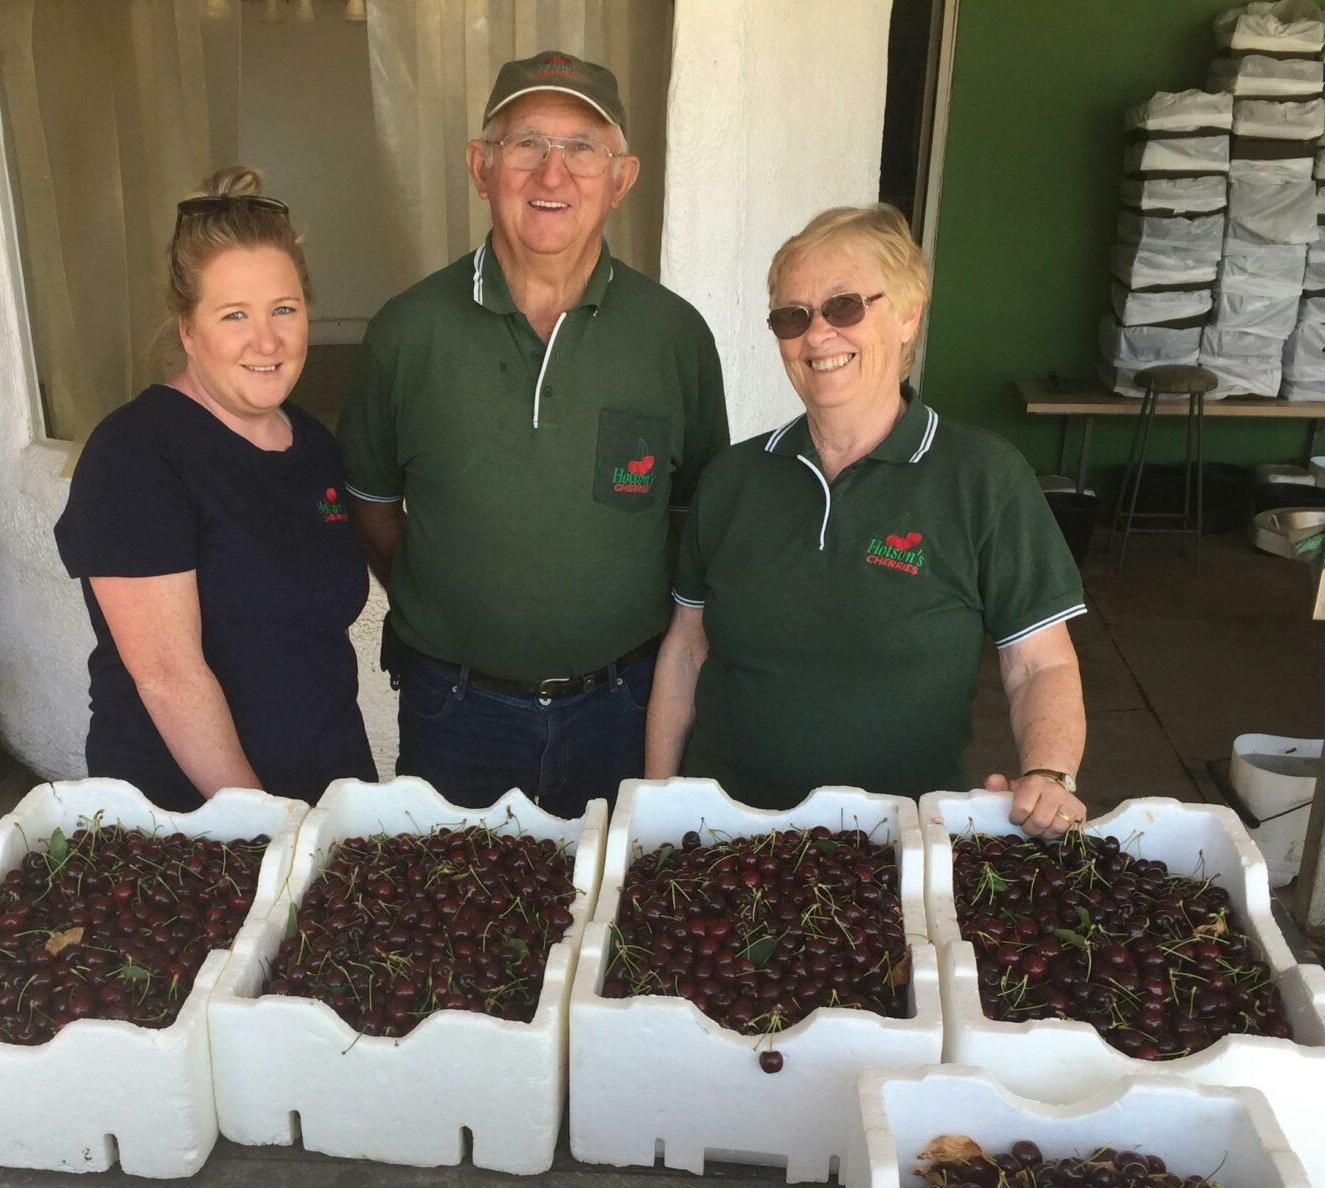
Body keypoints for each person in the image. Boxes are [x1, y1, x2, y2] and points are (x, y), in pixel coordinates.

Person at [339, 51, 728, 818]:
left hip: (625, 711)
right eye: (527, 145)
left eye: (583, 147)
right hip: (455, 714)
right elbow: (372, 513)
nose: (553, 175)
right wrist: (461, 613)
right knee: (458, 922)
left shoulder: (674, 337)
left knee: (619, 922)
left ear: (622, 177)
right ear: (481, 167)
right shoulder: (405, 334)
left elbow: (692, 522)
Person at [646, 204, 1088, 836]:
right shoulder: (734, 479)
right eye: (792, 316)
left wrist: (1048, 774)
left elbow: (1040, 663)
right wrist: (658, 803)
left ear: (909, 316)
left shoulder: (983, 477)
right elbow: (687, 650)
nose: (817, 335)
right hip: (724, 836)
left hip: (897, 845)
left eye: (845, 306)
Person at [54, 167, 375, 808]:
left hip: (331, 794)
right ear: (186, 329)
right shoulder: (136, 455)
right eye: (235, 315)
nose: (267, 340)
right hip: (193, 825)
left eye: (285, 309)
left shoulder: (313, 445)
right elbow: (170, 676)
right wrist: (265, 825)